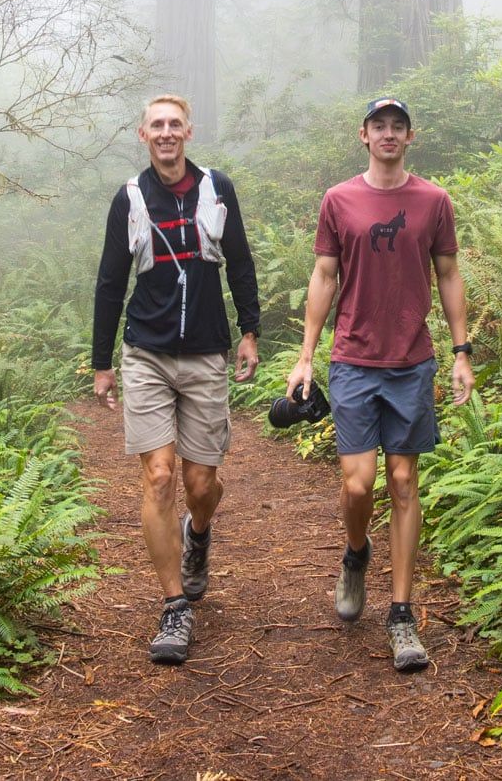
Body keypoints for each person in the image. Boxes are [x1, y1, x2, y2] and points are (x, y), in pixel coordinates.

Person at [286, 96, 474, 672]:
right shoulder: (339, 200)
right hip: (353, 359)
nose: (388, 134)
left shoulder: (433, 200)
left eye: (397, 126)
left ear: (409, 136)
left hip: (412, 361)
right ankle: (356, 553)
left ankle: (401, 615)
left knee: (402, 478)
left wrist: (462, 351)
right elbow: (323, 275)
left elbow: (447, 274)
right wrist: (306, 356)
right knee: (359, 483)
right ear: (363, 135)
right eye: (379, 126)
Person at [92, 95, 260, 665]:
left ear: (189, 131)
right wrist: (102, 362)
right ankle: (173, 608)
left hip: (208, 353)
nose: (166, 134)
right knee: (159, 477)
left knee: (200, 483)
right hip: (147, 355)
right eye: (156, 125)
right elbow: (110, 282)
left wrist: (250, 332)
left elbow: (240, 261)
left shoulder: (218, 188)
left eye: (174, 125)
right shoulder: (131, 199)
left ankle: (199, 532)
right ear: (143, 134)